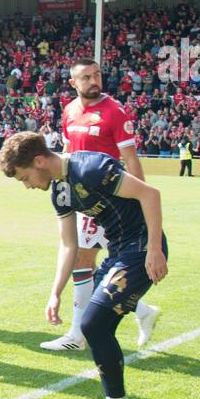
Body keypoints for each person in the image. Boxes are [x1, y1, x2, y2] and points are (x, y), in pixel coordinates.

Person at [0, 131, 168, 399]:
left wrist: (154, 250)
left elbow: (150, 194)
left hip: (140, 250)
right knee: (94, 324)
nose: (27, 186)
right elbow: (68, 245)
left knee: (94, 324)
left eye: (25, 178)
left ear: (39, 161)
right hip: (119, 253)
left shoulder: (92, 168)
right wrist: (55, 292)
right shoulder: (59, 192)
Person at [44, 57, 161, 352]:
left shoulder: (114, 111)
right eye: (86, 77)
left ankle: (77, 335)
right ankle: (142, 310)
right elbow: (68, 152)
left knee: (82, 260)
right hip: (83, 197)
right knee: (94, 266)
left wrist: (139, 197)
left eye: (96, 75)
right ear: (73, 83)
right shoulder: (69, 111)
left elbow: (131, 158)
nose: (94, 81)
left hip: (110, 198)